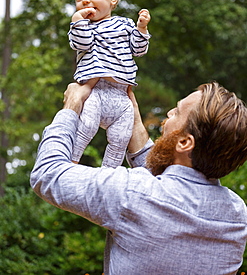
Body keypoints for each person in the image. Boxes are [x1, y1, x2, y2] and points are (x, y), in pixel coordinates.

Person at [30, 81, 247, 274]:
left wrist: (71, 107)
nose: (169, 113)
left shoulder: (132, 194)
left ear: (184, 143)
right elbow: (166, 193)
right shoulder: (237, 217)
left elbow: (48, 173)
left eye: (177, 112)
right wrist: (132, 120)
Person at [68, 0, 151, 167]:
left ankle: (109, 173)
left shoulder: (125, 24)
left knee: (121, 137)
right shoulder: (84, 27)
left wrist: (141, 28)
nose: (85, 0)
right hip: (95, 92)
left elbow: (138, 49)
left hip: (121, 96)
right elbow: (82, 43)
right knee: (86, 126)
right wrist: (77, 20)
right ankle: (71, 162)